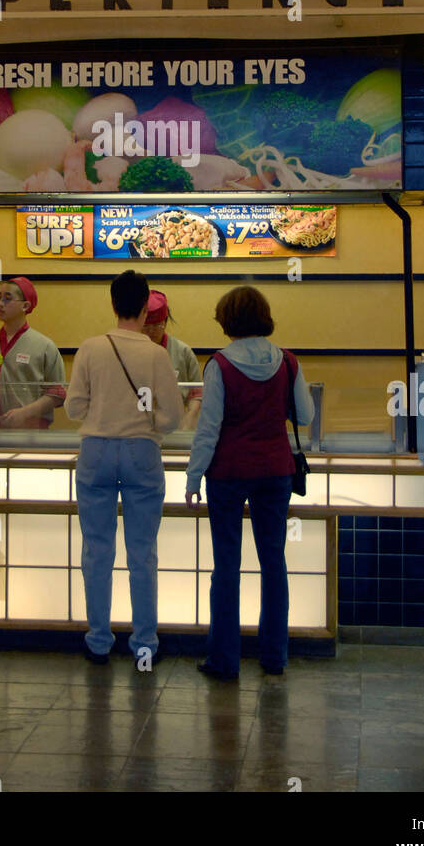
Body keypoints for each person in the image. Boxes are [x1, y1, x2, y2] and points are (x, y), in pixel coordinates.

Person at [185, 285, 314, 681]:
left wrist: (192, 476)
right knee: (273, 562)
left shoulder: (219, 366)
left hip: (227, 474)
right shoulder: (287, 362)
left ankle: (224, 660)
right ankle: (274, 657)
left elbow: (209, 429)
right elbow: (306, 415)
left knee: (227, 565)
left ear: (227, 320)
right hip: (275, 471)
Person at [66, 270, 184, 665]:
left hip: (95, 452)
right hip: (141, 453)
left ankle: (99, 641)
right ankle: (144, 645)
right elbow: (171, 418)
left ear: (113, 304)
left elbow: (73, 409)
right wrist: (145, 416)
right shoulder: (157, 354)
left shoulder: (90, 348)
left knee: (96, 550)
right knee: (142, 553)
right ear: (145, 304)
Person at [0, 277, 67, 430]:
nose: (0, 304)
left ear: (25, 306)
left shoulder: (44, 346)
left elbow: (58, 394)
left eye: (7, 299)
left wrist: (25, 413)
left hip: (31, 433)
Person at [142, 290, 202, 430]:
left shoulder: (183, 352)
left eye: (157, 325)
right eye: (146, 326)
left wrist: (190, 417)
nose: (151, 331)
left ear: (166, 322)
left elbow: (196, 392)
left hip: (175, 426)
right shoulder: (129, 353)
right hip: (139, 428)